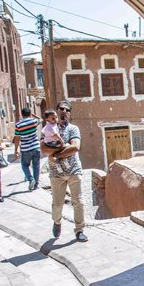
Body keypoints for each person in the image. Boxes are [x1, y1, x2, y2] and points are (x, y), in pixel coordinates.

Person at [41, 99, 87, 242]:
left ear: (69, 113)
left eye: (67, 110)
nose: (64, 112)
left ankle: (79, 230)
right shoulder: (48, 129)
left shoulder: (73, 129)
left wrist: (55, 154)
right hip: (56, 173)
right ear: (56, 111)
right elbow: (43, 148)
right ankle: (57, 221)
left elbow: (75, 147)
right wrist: (63, 148)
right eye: (61, 109)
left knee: (78, 201)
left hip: (74, 170)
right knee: (57, 203)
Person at [14, 107, 42, 191]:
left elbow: (17, 138)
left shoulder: (18, 125)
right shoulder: (34, 121)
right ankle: (36, 184)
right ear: (30, 114)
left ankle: (30, 179)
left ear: (22, 114)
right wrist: (33, 115)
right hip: (36, 147)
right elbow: (41, 119)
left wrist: (16, 150)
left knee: (24, 165)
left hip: (25, 149)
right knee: (36, 166)